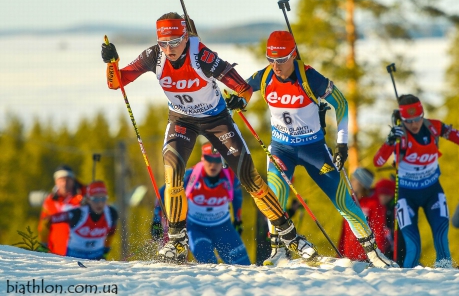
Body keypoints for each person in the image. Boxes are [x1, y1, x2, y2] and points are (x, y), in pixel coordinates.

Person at [101, 13, 317, 264]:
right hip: (181, 121)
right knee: (173, 174)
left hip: (216, 121)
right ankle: (177, 241)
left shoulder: (203, 57)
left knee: (250, 179)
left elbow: (244, 89)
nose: (168, 49)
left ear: (185, 37)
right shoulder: (153, 56)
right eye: (163, 42)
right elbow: (117, 82)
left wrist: (240, 100)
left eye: (174, 42)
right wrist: (111, 62)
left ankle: (291, 236)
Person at [242, 30, 397, 268]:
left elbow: (342, 103)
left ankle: (374, 253)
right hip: (281, 150)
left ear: (293, 54)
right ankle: (278, 251)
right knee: (275, 199)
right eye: (270, 59)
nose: (276, 65)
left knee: (344, 202)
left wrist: (342, 143)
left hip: (313, 150)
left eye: (281, 59)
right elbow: (239, 91)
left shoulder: (310, 78)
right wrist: (237, 101)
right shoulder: (264, 78)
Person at [373, 94, 459, 268]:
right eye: (408, 120)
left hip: (432, 192)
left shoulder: (434, 127)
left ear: (422, 115)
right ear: (402, 119)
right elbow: (378, 162)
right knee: (413, 246)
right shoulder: (400, 135)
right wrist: (390, 141)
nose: (413, 124)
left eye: (417, 119)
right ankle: (408, 284)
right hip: (407, 194)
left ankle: (446, 280)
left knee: (441, 238)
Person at [152, 143, 250, 265]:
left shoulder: (230, 176)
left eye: (217, 160)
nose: (213, 164)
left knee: (243, 264)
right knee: (209, 264)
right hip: (196, 228)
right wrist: (156, 220)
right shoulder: (190, 175)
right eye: (209, 159)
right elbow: (163, 192)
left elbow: (237, 197)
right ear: (203, 158)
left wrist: (238, 219)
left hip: (223, 227)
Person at [40, 180, 118, 260]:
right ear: (88, 199)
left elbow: (111, 232)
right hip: (74, 259)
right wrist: (43, 246)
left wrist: (105, 251)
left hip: (96, 258)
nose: (100, 203)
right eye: (95, 199)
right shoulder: (77, 214)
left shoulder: (111, 214)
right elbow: (47, 221)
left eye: (103, 199)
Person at [338, 168, 388, 262]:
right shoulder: (350, 202)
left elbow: (378, 230)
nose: (350, 181)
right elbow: (344, 231)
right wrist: (339, 253)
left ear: (362, 183)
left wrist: (377, 254)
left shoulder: (374, 204)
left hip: (365, 257)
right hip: (348, 256)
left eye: (353, 179)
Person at [38, 165, 84, 255]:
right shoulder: (49, 201)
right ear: (56, 181)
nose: (64, 183)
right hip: (56, 252)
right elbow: (43, 225)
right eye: (61, 180)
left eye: (68, 179)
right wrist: (43, 245)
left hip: (79, 252)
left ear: (73, 181)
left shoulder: (81, 200)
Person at [374, 177, 406, 267]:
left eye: (385, 194)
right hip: (389, 250)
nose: (382, 197)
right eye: (380, 194)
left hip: (399, 252)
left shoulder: (395, 208)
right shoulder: (384, 208)